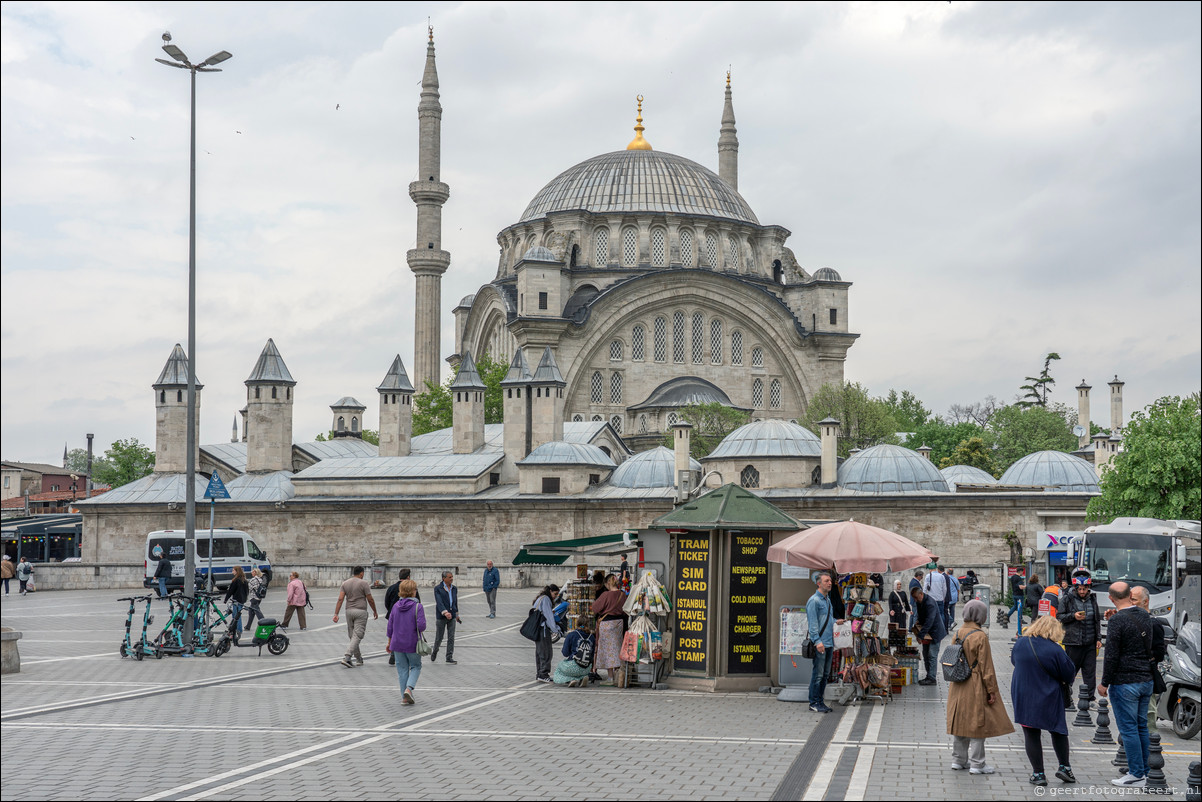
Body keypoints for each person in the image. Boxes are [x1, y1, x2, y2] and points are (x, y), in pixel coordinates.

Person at [946, 599, 1013, 774]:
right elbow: (986, 667)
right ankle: (977, 763)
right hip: (975, 683)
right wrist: (991, 690)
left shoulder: (958, 633)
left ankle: (958, 760)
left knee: (959, 720)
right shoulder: (980, 636)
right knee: (977, 723)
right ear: (980, 616)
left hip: (958, 682)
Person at [1011, 614, 1078, 786]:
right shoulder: (1055, 649)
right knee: (1058, 730)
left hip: (1024, 693)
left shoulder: (1020, 644)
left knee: (1031, 732)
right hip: (1049, 694)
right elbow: (1069, 673)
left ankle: (1038, 773)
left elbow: (1014, 662)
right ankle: (1065, 767)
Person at [1099, 581, 1154, 788]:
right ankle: (1148, 771)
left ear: (1111, 598)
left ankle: (1136, 774)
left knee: (1129, 729)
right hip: (1145, 680)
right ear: (1131, 594)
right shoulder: (1144, 615)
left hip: (1125, 682)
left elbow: (1111, 655)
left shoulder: (1117, 621)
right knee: (1141, 727)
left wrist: (1104, 682)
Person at [1056, 570, 1101, 706]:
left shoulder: (1093, 599)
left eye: (1085, 589)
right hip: (1073, 642)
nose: (1082, 591)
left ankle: (1090, 699)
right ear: (1075, 588)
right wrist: (1073, 616)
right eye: (1080, 589)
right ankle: (1064, 697)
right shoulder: (1067, 599)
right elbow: (1059, 617)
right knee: (1070, 672)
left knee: (1090, 673)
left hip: (1089, 643)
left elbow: (1096, 620)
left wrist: (1098, 638)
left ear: (1088, 588)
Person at [1130, 586, 1167, 732]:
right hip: (1130, 677)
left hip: (1146, 677)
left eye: (1134, 599)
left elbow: (1159, 653)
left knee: (1148, 714)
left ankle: (1151, 746)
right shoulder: (1128, 620)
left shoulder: (1154, 624)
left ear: (1145, 602)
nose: (1131, 603)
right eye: (1129, 599)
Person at [385, 579, 426, 705]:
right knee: (416, 666)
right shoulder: (418, 607)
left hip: (397, 643)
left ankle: (404, 697)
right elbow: (422, 626)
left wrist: (389, 642)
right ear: (412, 592)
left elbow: (390, 626)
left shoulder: (396, 606)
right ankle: (409, 688)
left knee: (402, 670)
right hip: (412, 642)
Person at [333, 565, 378, 668]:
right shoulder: (364, 583)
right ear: (361, 573)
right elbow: (370, 599)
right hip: (360, 611)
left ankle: (358, 659)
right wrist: (375, 611)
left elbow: (340, 599)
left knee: (352, 636)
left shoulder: (345, 583)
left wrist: (336, 614)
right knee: (357, 635)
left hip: (349, 611)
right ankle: (347, 657)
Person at [806, 571, 836, 713]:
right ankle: (814, 702)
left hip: (829, 643)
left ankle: (820, 701)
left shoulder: (827, 600)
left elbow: (828, 620)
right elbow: (813, 624)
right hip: (821, 644)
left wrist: (837, 622)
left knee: (824, 675)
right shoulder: (814, 601)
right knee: (817, 675)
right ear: (819, 583)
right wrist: (817, 641)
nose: (830, 583)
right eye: (826, 581)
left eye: (830, 581)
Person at [592, 574, 627, 685]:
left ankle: (610, 677)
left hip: (607, 624)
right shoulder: (622, 595)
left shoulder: (606, 595)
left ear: (608, 583)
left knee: (608, 651)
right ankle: (618, 674)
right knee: (617, 648)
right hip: (619, 624)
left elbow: (595, 608)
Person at [911, 585, 948, 685]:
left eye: (916, 597)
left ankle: (932, 678)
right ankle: (929, 676)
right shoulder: (920, 602)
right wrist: (917, 625)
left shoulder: (930, 603)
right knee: (926, 654)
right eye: (913, 598)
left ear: (921, 594)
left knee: (932, 655)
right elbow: (921, 616)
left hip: (935, 632)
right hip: (927, 632)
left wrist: (920, 635)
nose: (915, 600)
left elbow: (929, 621)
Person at [384, 569, 420, 665]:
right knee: (405, 634)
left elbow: (386, 603)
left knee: (394, 633)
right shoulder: (412, 590)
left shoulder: (391, 588)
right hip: (408, 618)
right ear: (408, 577)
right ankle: (405, 655)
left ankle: (393, 654)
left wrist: (391, 611)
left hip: (393, 615)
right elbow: (417, 602)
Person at [529, 583, 562, 683]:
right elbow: (549, 617)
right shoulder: (546, 599)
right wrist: (556, 630)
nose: (556, 596)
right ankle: (543, 674)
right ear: (550, 591)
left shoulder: (540, 598)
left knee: (539, 652)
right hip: (543, 629)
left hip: (537, 629)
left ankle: (539, 673)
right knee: (546, 652)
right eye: (555, 594)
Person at [553, 615, 594, 687]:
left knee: (559, 667)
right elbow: (592, 655)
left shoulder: (572, 635)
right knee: (580, 670)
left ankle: (571, 679)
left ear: (577, 623)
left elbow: (565, 653)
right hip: (587, 668)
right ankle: (582, 677)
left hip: (574, 666)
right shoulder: (592, 637)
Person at [432, 570, 461, 664]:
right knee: (439, 637)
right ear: (444, 578)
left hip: (452, 615)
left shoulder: (454, 588)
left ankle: (449, 656)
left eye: (452, 577)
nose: (452, 579)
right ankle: (435, 650)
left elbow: (455, 602)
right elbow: (439, 602)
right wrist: (445, 612)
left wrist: (456, 614)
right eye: (450, 577)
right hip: (442, 616)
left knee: (451, 637)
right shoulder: (438, 588)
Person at [223, 565, 249, 636]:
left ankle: (238, 630)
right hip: (242, 600)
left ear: (237, 571)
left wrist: (226, 599)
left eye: (233, 570)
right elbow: (247, 591)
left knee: (236, 616)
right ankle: (236, 630)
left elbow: (230, 591)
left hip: (236, 600)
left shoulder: (236, 580)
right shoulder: (244, 580)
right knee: (237, 615)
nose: (232, 572)